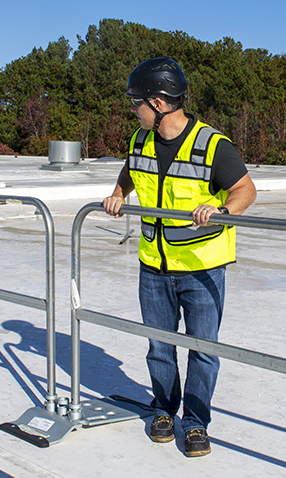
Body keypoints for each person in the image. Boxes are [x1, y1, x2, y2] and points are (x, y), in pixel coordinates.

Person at [102, 57, 256, 458]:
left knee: (203, 350)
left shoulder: (212, 144)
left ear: (158, 102)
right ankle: (164, 410)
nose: (133, 109)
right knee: (159, 345)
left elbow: (245, 190)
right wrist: (120, 194)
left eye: (137, 102)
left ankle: (197, 422)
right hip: (154, 265)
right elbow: (129, 171)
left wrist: (225, 212)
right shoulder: (141, 141)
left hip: (202, 268)